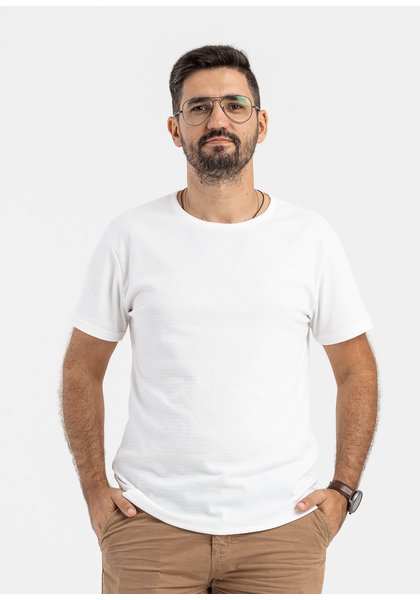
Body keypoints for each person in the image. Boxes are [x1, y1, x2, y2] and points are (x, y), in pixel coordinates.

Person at [61, 44, 378, 594]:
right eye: (199, 107)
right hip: (149, 525)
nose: (218, 120)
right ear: (175, 128)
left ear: (261, 122)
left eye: (235, 105)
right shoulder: (131, 236)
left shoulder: (310, 238)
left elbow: (357, 370)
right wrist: (94, 490)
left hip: (283, 529)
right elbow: (80, 369)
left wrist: (343, 490)